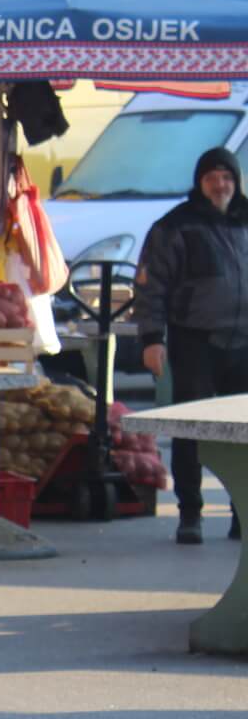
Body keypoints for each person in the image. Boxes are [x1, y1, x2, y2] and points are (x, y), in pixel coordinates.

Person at [137, 147, 248, 545]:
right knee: (191, 430)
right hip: (194, 340)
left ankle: (242, 513)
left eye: (227, 178)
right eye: (212, 178)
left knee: (243, 433)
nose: (220, 185)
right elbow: (151, 288)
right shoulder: (174, 227)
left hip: (243, 343)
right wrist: (152, 339)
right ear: (200, 183)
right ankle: (190, 514)